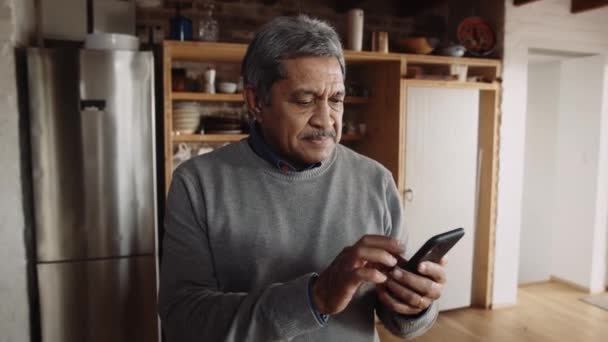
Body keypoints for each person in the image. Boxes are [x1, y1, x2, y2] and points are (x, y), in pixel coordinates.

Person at [159, 15, 446, 342]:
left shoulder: (376, 180)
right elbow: (183, 321)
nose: (326, 120)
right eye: (304, 100)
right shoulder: (197, 184)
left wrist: (416, 305)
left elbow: (402, 323)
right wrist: (315, 298)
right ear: (256, 101)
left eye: (335, 99)